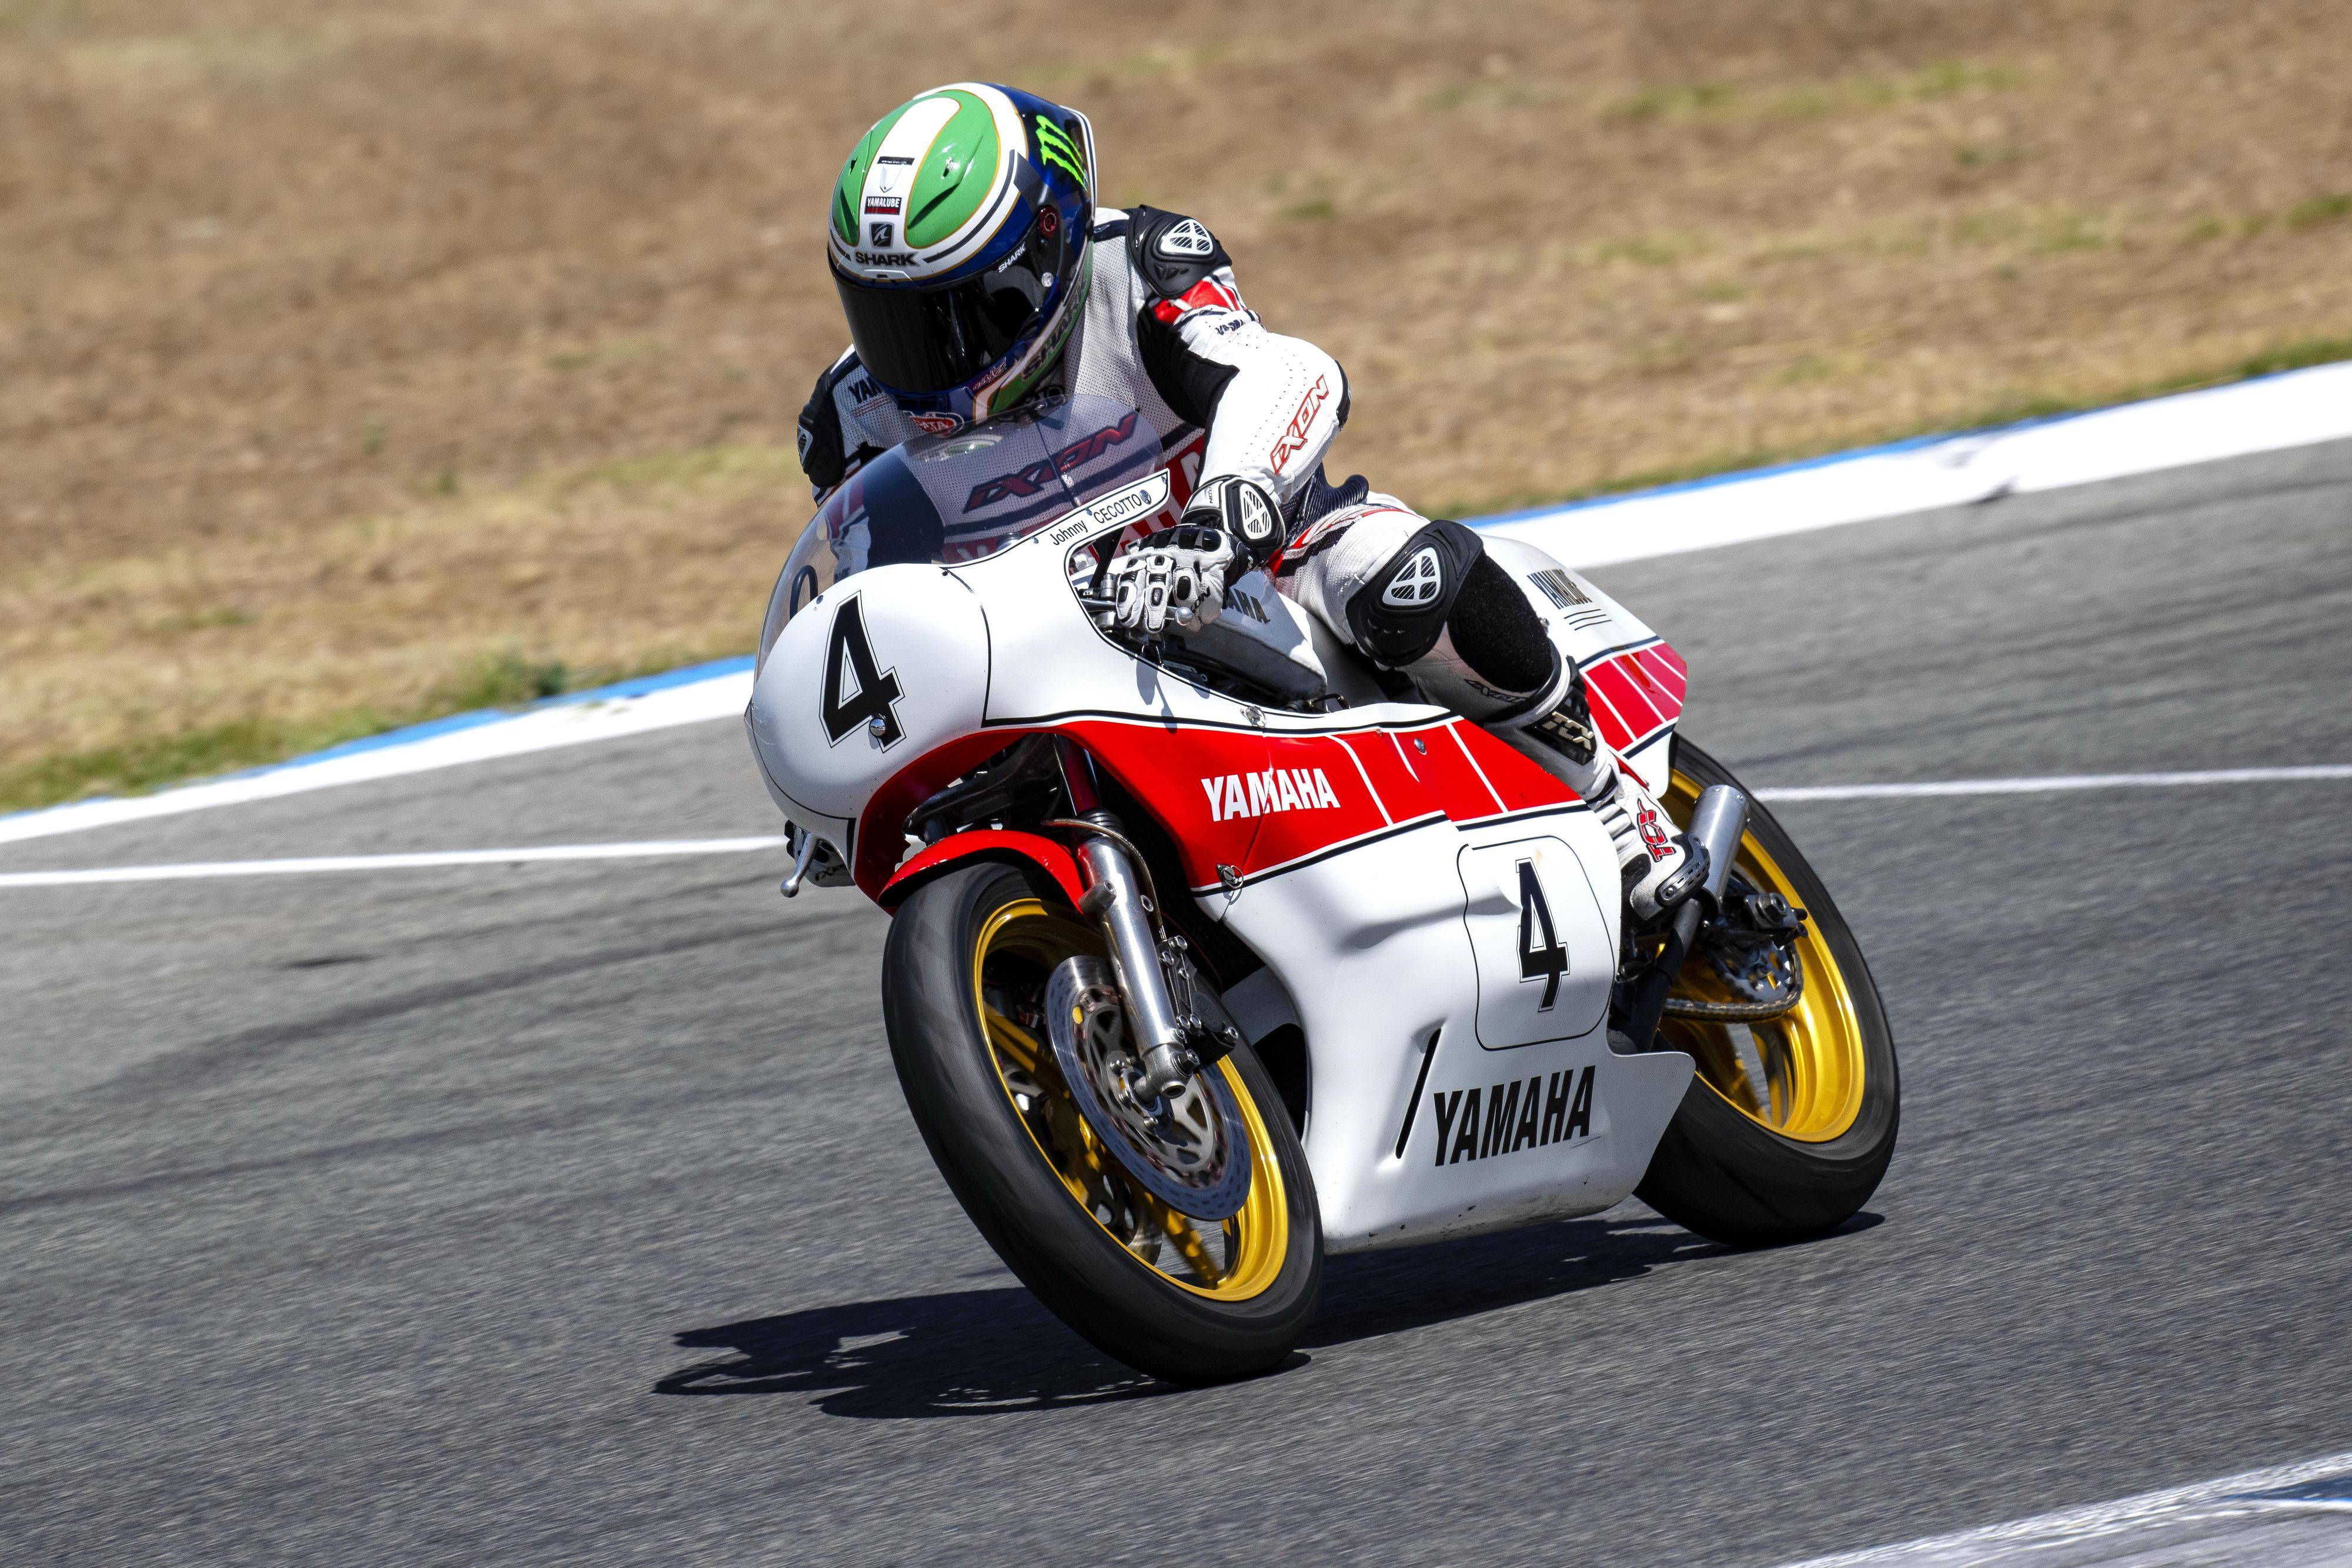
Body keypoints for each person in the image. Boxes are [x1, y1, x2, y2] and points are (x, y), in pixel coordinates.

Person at [798, 83, 1699, 921]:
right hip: (1047, 655)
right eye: (890, 320)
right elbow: (860, 598)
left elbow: (1285, 374)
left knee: (1392, 573)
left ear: (1043, 252)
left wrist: (1221, 521)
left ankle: (1607, 799)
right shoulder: (851, 418)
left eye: (961, 311)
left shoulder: (1139, 271)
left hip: (1259, 571)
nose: (926, 357)